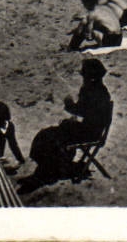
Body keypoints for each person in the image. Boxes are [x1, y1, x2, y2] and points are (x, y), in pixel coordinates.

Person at [22, 59, 113, 189]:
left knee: (49, 137)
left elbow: (81, 110)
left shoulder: (92, 91)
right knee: (49, 134)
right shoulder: (100, 90)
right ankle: (44, 172)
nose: (83, 78)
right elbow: (89, 114)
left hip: (88, 133)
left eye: (84, 75)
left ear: (89, 76)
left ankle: (46, 174)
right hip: (91, 130)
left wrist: (69, 104)